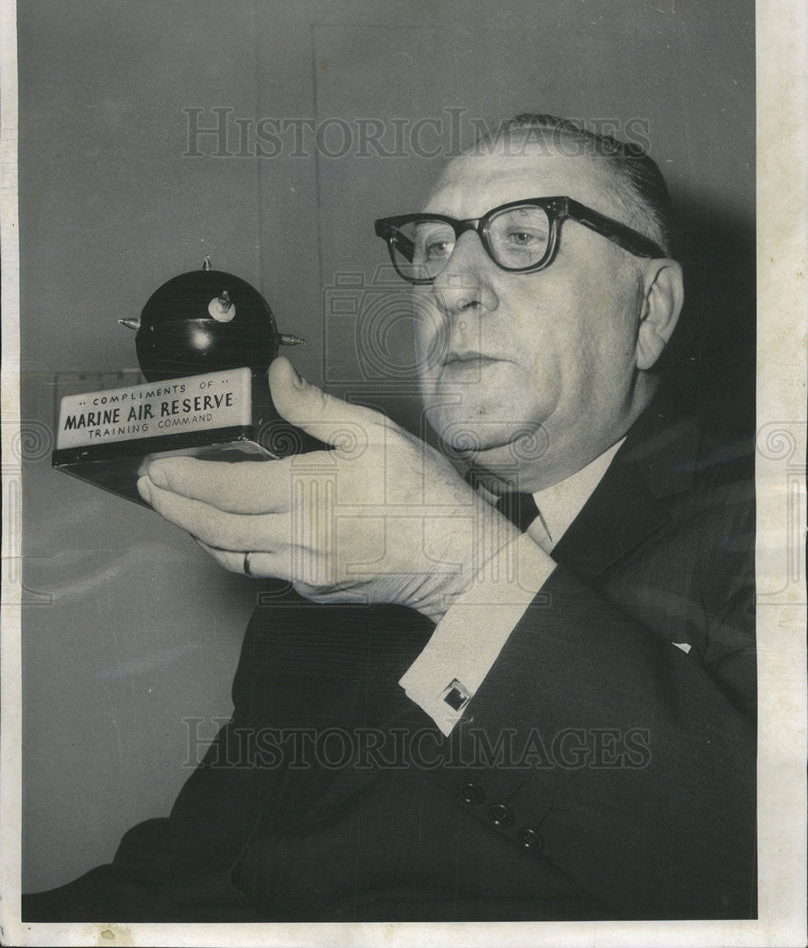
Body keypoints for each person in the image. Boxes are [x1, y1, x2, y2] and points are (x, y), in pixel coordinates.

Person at [23, 114, 756, 922]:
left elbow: (763, 864)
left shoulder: (761, 533)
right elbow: (201, 874)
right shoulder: (337, 544)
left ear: (650, 310)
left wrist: (461, 573)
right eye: (434, 248)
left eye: (522, 236)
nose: (449, 286)